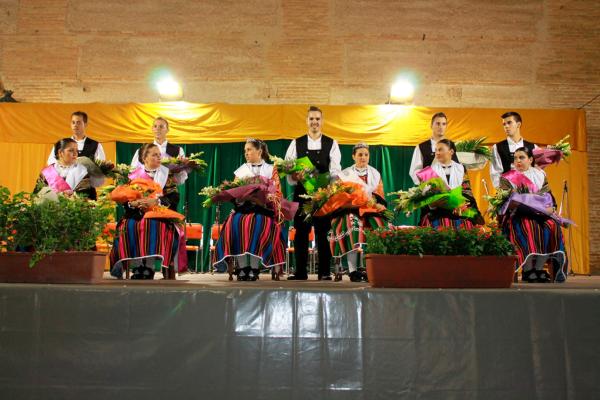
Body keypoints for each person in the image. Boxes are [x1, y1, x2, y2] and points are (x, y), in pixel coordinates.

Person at [213, 139, 287, 281]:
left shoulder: (271, 169)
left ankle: (254, 267)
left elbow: (277, 193)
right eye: (245, 150)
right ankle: (241, 267)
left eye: (249, 150)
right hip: (244, 208)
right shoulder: (241, 170)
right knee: (236, 224)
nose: (246, 153)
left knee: (258, 223)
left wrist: (265, 197)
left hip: (264, 210)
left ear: (259, 151)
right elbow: (234, 191)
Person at [285, 106, 342, 280]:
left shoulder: (332, 143)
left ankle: (324, 272)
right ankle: (300, 272)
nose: (314, 122)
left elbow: (335, 171)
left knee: (323, 232)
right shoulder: (296, 143)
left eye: (317, 119)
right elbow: (288, 169)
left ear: (322, 121)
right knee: (301, 233)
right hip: (302, 194)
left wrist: (330, 190)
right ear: (307, 121)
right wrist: (295, 175)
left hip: (323, 195)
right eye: (311, 119)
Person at [110, 144, 180, 280]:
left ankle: (149, 267)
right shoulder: (132, 174)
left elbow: (174, 197)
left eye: (159, 155)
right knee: (129, 226)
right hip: (135, 213)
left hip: (158, 213)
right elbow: (125, 197)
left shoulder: (167, 174)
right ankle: (137, 267)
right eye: (154, 155)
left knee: (151, 225)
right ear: (144, 158)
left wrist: (157, 202)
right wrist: (132, 203)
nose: (159, 157)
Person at [499, 147, 567, 283]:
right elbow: (503, 201)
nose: (518, 161)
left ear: (530, 159)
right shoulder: (507, 177)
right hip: (519, 215)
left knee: (551, 226)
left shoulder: (540, 174)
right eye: (516, 158)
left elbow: (548, 197)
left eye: (522, 157)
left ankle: (539, 268)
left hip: (540, 215)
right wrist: (515, 203)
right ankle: (527, 269)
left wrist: (550, 208)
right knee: (529, 227)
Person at [329, 143, 388, 282]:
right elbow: (340, 198)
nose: (363, 157)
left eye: (366, 155)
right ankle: (353, 270)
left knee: (379, 226)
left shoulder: (375, 173)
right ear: (353, 156)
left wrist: (377, 204)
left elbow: (379, 196)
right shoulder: (345, 174)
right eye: (360, 154)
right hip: (351, 210)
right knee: (352, 224)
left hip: (370, 211)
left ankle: (371, 269)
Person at [416, 139, 483, 229]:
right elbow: (424, 198)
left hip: (459, 212)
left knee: (467, 226)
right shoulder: (429, 172)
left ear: (451, 151)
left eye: (440, 150)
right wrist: (433, 204)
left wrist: (463, 205)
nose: (437, 153)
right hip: (437, 213)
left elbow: (467, 192)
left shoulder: (461, 169)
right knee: (441, 225)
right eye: (436, 150)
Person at [490, 111, 537, 188]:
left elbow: (537, 170)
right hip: (508, 193)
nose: (506, 126)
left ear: (518, 124)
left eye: (509, 123)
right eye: (504, 124)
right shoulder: (497, 147)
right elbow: (495, 173)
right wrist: (503, 192)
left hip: (529, 192)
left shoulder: (533, 147)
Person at [409, 112, 458, 185]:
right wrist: (432, 181)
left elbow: (459, 168)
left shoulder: (453, 146)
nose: (441, 127)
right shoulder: (421, 147)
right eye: (438, 123)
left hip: (452, 189)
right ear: (431, 126)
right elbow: (414, 172)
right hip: (430, 191)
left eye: (443, 124)